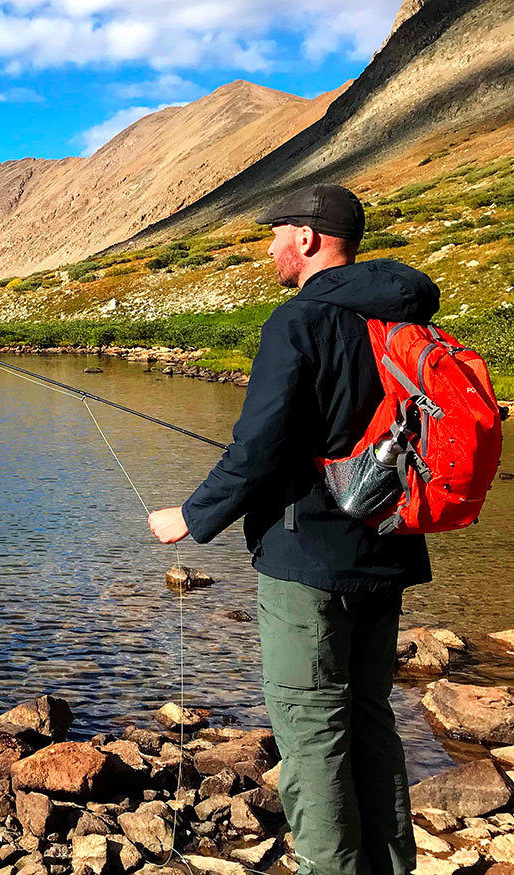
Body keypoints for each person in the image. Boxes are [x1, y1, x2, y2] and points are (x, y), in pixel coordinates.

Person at [147, 183, 437, 875]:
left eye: (276, 232)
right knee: (368, 716)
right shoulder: (408, 319)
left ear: (308, 238)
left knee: (312, 729)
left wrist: (190, 517)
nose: (271, 246)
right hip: (390, 548)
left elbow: (257, 449)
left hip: (308, 560)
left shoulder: (297, 321)